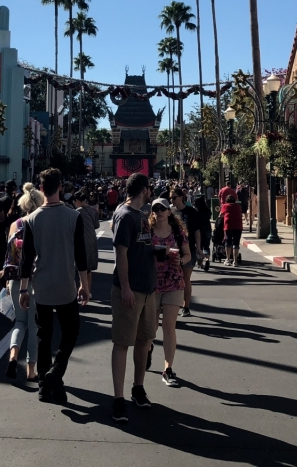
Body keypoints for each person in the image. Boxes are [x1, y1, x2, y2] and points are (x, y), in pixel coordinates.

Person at [18, 169, 90, 403]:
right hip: (66, 283)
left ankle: (43, 386)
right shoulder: (73, 216)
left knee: (43, 335)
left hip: (42, 285)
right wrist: (85, 284)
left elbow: (26, 258)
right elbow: (81, 254)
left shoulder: (31, 219)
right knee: (71, 331)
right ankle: (55, 371)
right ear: (60, 187)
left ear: (41, 189)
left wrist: (23, 289)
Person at [110, 173, 158, 423]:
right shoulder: (126, 215)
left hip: (149, 289)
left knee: (145, 340)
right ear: (143, 190)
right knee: (122, 343)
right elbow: (121, 253)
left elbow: (142, 248)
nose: (150, 192)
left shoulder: (142, 215)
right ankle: (118, 399)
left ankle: (138, 388)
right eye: (148, 189)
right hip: (130, 290)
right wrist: (126, 287)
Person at [149, 197, 191, 388]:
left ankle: (168, 368)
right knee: (150, 329)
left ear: (168, 212)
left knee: (169, 325)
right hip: (152, 283)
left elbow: (188, 254)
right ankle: (148, 347)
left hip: (174, 281)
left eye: (162, 209)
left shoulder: (177, 232)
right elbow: (137, 252)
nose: (158, 212)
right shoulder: (147, 231)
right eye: (155, 209)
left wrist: (180, 260)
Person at [3, 183, 42, 381]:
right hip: (34, 279)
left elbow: (8, 253)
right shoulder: (40, 223)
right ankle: (30, 369)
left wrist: (6, 279)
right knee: (34, 325)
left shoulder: (15, 224)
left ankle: (12, 356)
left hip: (14, 278)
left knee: (19, 322)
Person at [170, 187, 196, 316]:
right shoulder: (170, 212)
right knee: (173, 278)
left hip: (189, 248)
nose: (172, 200)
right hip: (173, 249)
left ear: (181, 197)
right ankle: (172, 304)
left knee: (186, 278)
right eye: (171, 198)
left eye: (174, 197)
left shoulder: (191, 212)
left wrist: (200, 248)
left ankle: (186, 306)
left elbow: (197, 231)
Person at [74, 188, 100, 278]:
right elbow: (97, 225)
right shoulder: (93, 210)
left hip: (82, 240)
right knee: (88, 270)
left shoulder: (77, 213)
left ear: (77, 201)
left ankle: (83, 289)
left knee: (81, 268)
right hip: (92, 238)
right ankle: (88, 290)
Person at [219, 186, 242, 266]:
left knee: (228, 242)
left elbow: (221, 216)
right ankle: (235, 261)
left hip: (228, 225)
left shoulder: (224, 206)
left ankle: (228, 259)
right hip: (238, 226)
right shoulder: (238, 206)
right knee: (236, 243)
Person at [192, 195, 212, 272]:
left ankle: (200, 263)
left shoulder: (196, 211)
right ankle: (207, 259)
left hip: (198, 230)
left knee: (199, 247)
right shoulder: (207, 210)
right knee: (206, 247)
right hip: (207, 229)